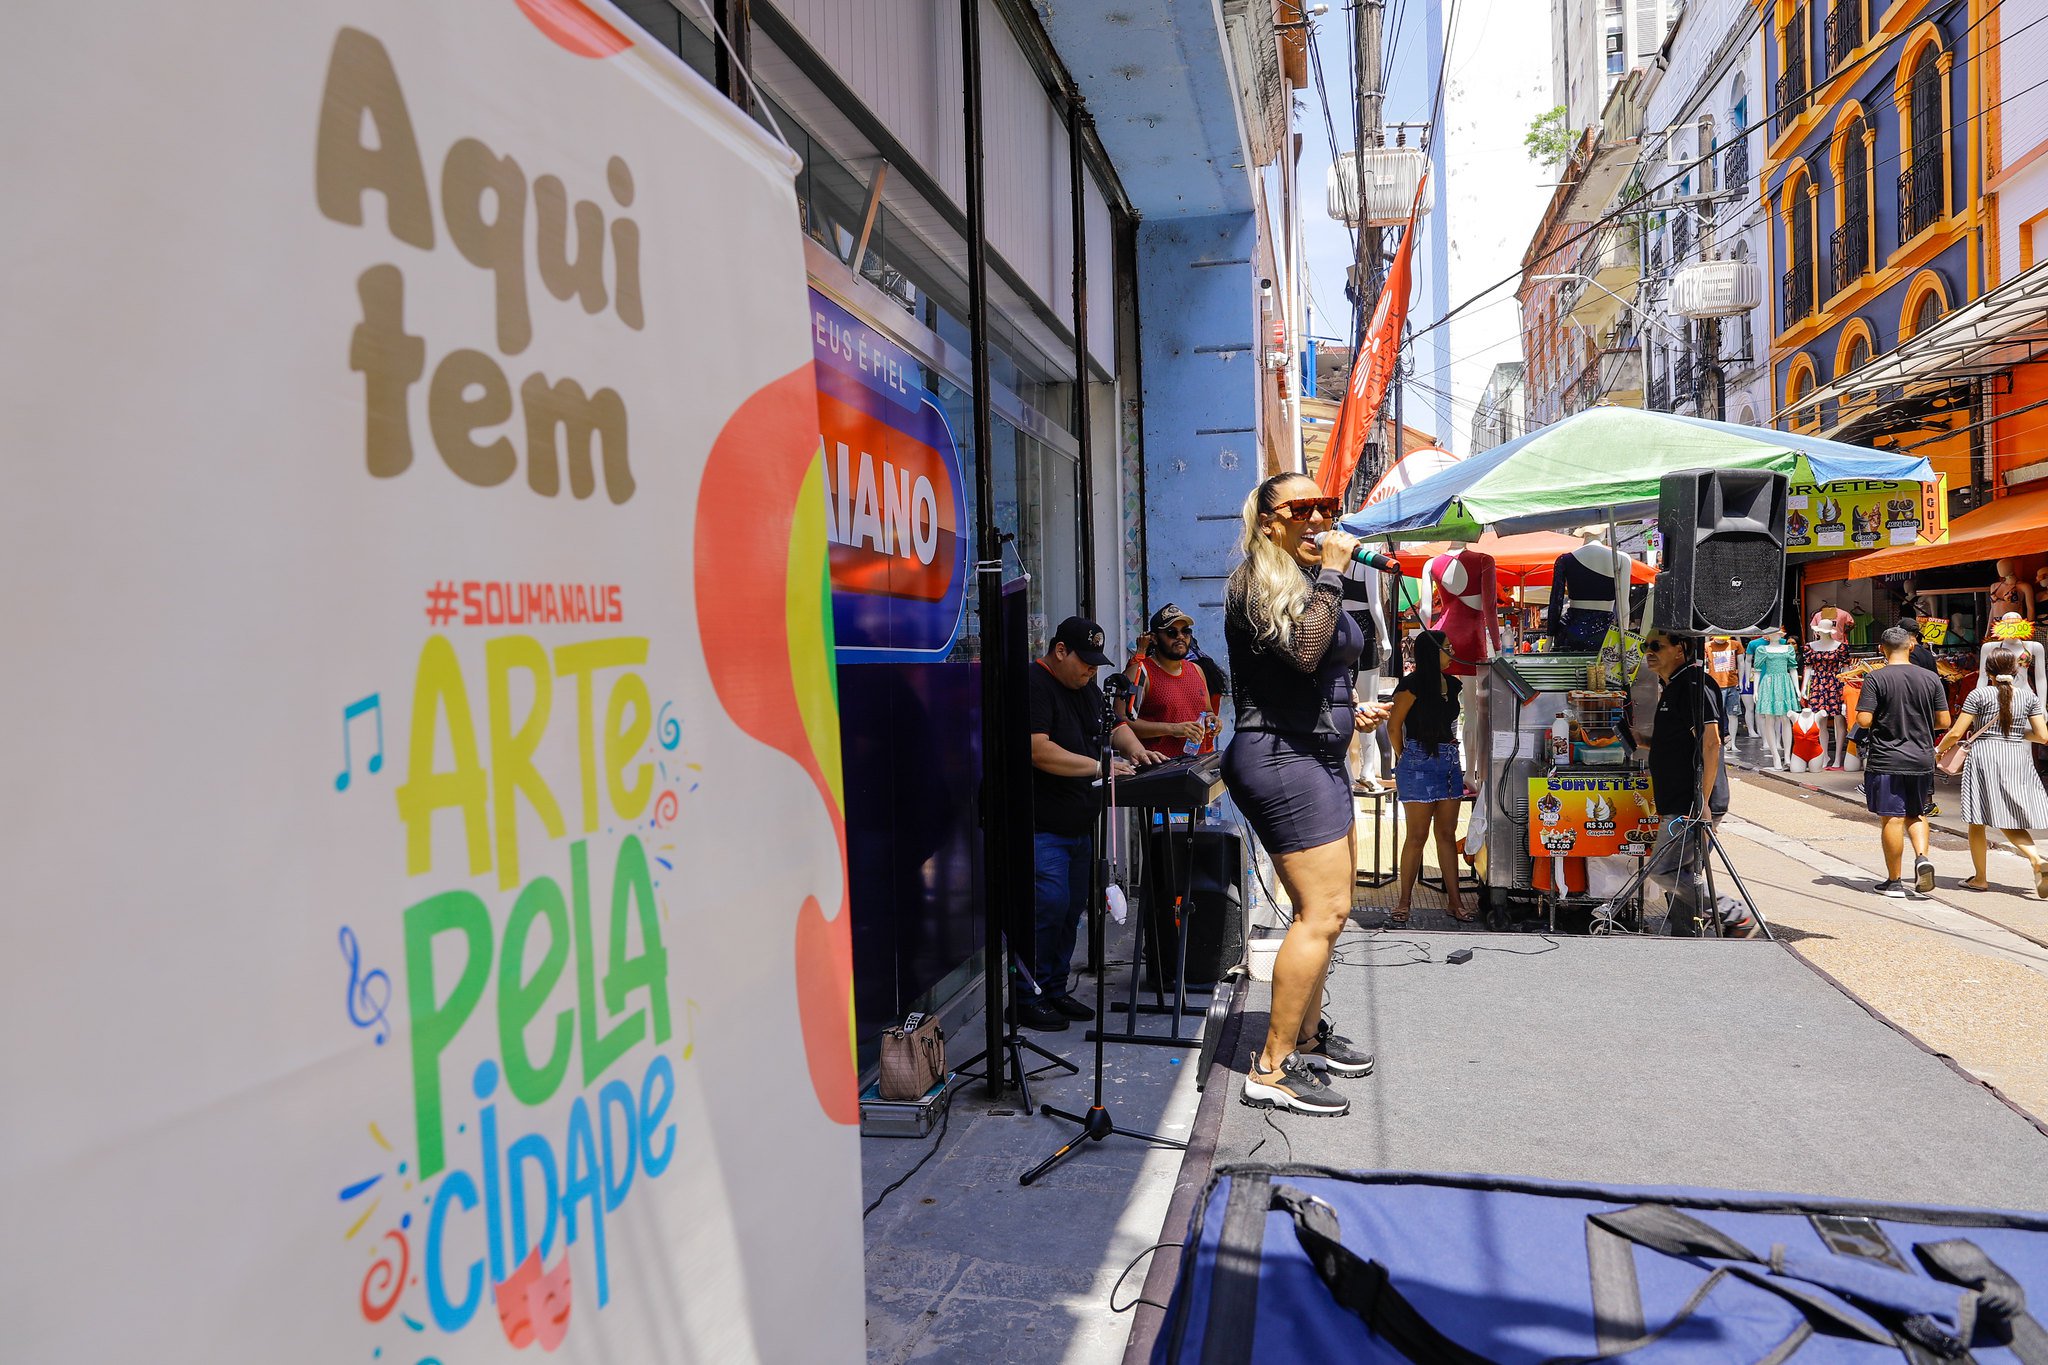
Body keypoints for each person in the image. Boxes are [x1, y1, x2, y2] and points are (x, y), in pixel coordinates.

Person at [1222, 473, 1387, 1117]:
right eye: (1308, 509)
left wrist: (1352, 709)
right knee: (1322, 912)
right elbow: (1305, 648)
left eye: (1329, 507)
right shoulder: (1252, 584)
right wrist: (1335, 576)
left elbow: (1338, 660)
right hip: (1279, 757)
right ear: (1271, 523)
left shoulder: (1306, 581)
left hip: (1316, 752)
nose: (1323, 518)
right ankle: (1271, 1067)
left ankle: (1308, 1039)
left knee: (1327, 912)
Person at [1022, 615, 1164, 1030]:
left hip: (1078, 822)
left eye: (1096, 664)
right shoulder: (1034, 684)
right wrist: (1100, 765)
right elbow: (1038, 750)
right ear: (1060, 651)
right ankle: (1027, 995)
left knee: (1069, 912)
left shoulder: (1084, 689)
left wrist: (1138, 752)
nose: (1090, 670)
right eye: (1084, 661)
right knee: (1046, 909)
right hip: (1041, 825)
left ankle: (1053, 989)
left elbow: (1116, 725)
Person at [1640, 630, 1754, 935]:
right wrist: (1639, 740)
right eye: (1645, 646)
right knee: (1684, 872)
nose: (1649, 652)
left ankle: (1735, 915)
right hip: (1680, 799)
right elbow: (1680, 742)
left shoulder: (1693, 683)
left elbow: (1711, 743)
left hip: (1690, 803)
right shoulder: (1675, 685)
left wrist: (1701, 801)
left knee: (1664, 870)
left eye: (1656, 646)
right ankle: (1696, 931)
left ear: (1681, 649)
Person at [1936, 644, 2048, 899]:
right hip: (2016, 758)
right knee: (2008, 817)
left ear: (1988, 671)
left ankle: (1980, 878)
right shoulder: (2028, 697)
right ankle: (2035, 859)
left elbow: (1955, 732)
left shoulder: (1980, 695)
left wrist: (1939, 750)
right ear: (2017, 668)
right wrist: (2016, 732)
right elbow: (2043, 736)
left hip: (1985, 757)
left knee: (1978, 820)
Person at [1854, 627, 1952, 899]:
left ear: (1881, 649)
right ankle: (1922, 858)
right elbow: (1944, 722)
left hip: (1887, 758)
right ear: (1911, 647)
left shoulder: (1875, 678)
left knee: (1892, 819)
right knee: (1916, 813)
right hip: (1921, 757)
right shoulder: (1931, 678)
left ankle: (1894, 881)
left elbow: (1863, 720)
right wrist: (1919, 723)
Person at [1388, 629, 1467, 925]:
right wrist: (1403, 758)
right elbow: (1393, 727)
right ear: (1432, 652)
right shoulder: (1410, 686)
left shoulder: (1454, 684)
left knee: (1446, 835)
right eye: (1447, 647)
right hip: (1418, 760)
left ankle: (1455, 901)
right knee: (1417, 836)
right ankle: (1404, 901)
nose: (1452, 651)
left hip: (1448, 761)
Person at [1120, 604, 1212, 758]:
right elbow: (1121, 722)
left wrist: (1211, 721)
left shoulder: (1196, 670)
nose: (1180, 636)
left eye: (1185, 631)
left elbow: (1207, 711)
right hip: (1157, 772)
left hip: (1196, 769)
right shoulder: (1140, 672)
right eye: (1171, 632)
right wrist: (1172, 729)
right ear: (1154, 638)